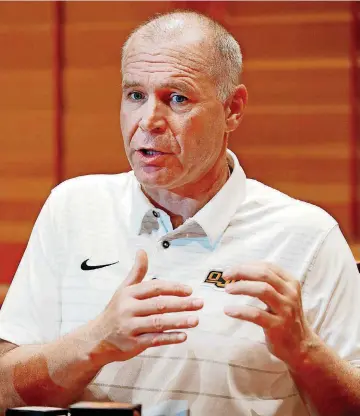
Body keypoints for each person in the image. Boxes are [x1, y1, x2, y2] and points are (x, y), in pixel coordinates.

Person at [0, 10, 360, 416]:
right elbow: (3, 391)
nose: (148, 121)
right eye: (135, 95)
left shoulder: (307, 235)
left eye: (177, 98)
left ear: (233, 109)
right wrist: (96, 341)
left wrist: (305, 351)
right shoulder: (72, 207)